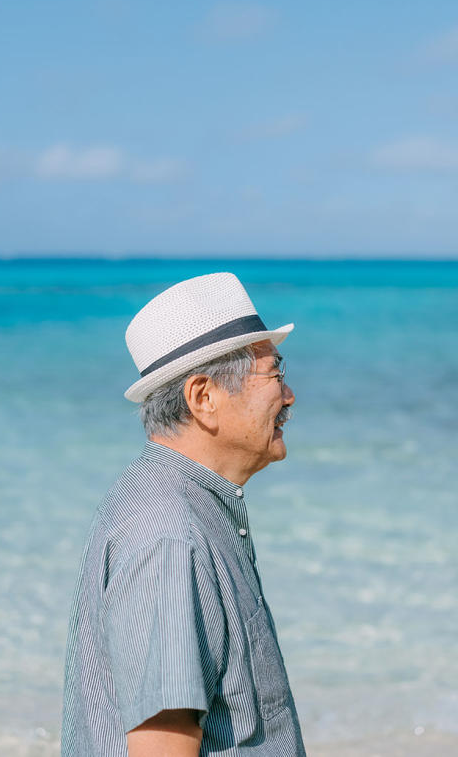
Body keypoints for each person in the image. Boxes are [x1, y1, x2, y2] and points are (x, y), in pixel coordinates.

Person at [62, 272, 306, 756]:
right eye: (275, 374)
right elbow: (162, 744)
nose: (289, 395)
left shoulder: (179, 504)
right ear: (203, 398)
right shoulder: (171, 534)